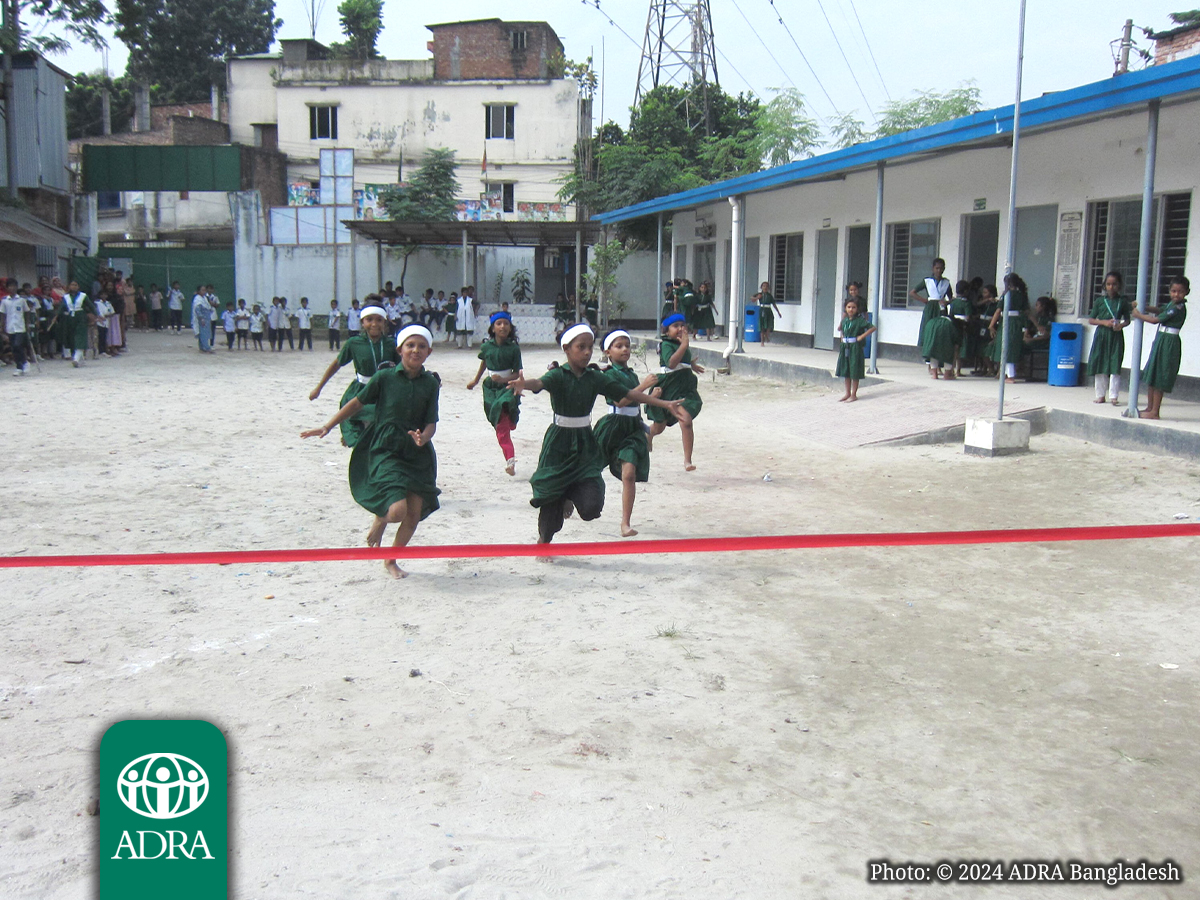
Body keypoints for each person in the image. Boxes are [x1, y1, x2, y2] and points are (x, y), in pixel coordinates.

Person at [511, 323, 689, 546]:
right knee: (551, 499)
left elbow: (628, 394)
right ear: (566, 348)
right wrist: (523, 384)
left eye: (589, 347)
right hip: (559, 443)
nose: (586, 352)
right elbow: (538, 382)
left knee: (591, 508)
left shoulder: (595, 377)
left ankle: (569, 494)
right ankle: (544, 540)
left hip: (585, 442)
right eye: (581, 347)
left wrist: (663, 403)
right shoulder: (558, 375)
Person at [302, 324, 440, 580]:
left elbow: (431, 421)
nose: (416, 350)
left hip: (417, 453)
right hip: (386, 447)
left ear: (429, 351)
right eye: (410, 345)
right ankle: (380, 517)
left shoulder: (431, 383)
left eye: (422, 346)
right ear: (399, 349)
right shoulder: (384, 378)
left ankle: (391, 559)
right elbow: (357, 403)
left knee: (414, 513)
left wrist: (424, 437)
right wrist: (328, 426)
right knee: (397, 511)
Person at [594, 329, 659, 537]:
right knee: (589, 466)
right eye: (618, 346)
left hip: (632, 428)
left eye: (627, 346)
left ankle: (625, 523)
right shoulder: (608, 375)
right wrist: (645, 386)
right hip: (612, 426)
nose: (624, 349)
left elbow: (635, 402)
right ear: (608, 352)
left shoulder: (630, 374)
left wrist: (654, 396)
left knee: (629, 474)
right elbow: (620, 401)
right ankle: (569, 497)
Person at [309, 304, 398, 447]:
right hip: (361, 390)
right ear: (363, 322)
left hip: (384, 391)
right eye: (369, 320)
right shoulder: (354, 343)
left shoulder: (391, 344)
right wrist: (318, 388)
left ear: (384, 322)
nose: (374, 324)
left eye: (379, 320)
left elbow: (405, 367)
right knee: (357, 422)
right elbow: (336, 365)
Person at [466, 311, 524, 476]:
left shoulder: (513, 348)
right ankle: (508, 430)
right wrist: (476, 381)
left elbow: (518, 373)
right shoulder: (486, 347)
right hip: (490, 388)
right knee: (499, 421)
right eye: (498, 323)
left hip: (508, 387)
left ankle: (510, 460)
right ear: (492, 327)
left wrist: (504, 379)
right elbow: (484, 363)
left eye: (506, 323)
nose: (503, 327)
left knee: (502, 421)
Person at [646, 313, 704, 471]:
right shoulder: (667, 344)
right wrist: (684, 345)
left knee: (686, 420)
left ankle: (687, 460)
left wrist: (691, 365)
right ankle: (648, 434)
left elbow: (682, 362)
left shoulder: (681, 343)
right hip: (669, 388)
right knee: (659, 426)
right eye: (675, 326)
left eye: (682, 325)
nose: (680, 328)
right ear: (666, 330)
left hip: (685, 387)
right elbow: (671, 363)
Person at [1131, 275, 1190, 419]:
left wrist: (1138, 315)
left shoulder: (1178, 308)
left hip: (1169, 343)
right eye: (1174, 291)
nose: (1176, 294)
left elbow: (1154, 320)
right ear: (1169, 291)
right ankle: (1150, 407)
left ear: (1187, 292)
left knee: (1160, 377)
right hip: (1161, 340)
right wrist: (1143, 306)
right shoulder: (1170, 305)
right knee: (1153, 374)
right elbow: (1159, 310)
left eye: (1180, 291)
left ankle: (1154, 412)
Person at [1086, 271, 1132, 405]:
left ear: (1119, 286)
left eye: (1114, 284)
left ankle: (1114, 396)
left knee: (1115, 363)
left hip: (1116, 335)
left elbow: (1128, 320)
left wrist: (1121, 325)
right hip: (1102, 335)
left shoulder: (1122, 301)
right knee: (1100, 363)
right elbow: (1091, 320)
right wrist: (1104, 322)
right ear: (1104, 286)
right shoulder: (1100, 301)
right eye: (1108, 284)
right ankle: (1100, 395)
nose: (1111, 287)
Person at [986, 272, 1034, 383]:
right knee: (1012, 347)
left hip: (1007, 322)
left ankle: (1010, 376)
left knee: (1005, 347)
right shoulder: (1022, 294)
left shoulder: (1006, 295)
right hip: (1017, 323)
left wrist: (991, 325)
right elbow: (1028, 312)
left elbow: (998, 311)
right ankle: (1007, 373)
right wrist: (1037, 325)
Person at [911, 258, 954, 373]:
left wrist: (947, 302)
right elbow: (912, 292)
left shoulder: (946, 283)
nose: (939, 271)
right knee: (929, 333)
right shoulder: (927, 281)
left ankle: (938, 364)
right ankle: (930, 364)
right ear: (933, 269)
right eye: (937, 268)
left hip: (941, 309)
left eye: (941, 268)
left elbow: (951, 298)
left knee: (940, 334)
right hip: (930, 308)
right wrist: (924, 300)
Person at [835, 296, 877, 402]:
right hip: (845, 347)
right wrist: (842, 337)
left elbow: (872, 327)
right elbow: (841, 329)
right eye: (848, 307)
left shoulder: (860, 320)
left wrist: (862, 336)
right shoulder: (844, 320)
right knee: (846, 370)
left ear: (857, 309)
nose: (851, 309)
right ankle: (847, 393)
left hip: (855, 347)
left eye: (853, 307)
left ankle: (854, 394)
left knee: (854, 370)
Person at [1, 279, 32, 375]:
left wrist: (27, 324)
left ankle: (25, 362)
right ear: (7, 288)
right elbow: (3, 314)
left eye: (14, 286)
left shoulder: (21, 300)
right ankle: (19, 367)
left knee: (18, 345)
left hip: (20, 327)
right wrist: (2, 325)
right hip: (10, 327)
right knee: (14, 348)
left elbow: (27, 312)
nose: (12, 288)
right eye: (10, 286)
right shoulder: (5, 301)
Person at [62, 280, 92, 367]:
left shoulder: (83, 296)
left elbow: (91, 306)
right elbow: (62, 307)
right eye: (72, 285)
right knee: (72, 339)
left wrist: (97, 315)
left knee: (80, 338)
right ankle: (81, 359)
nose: (73, 287)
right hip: (70, 319)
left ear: (78, 287)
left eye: (75, 285)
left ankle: (76, 358)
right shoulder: (66, 297)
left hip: (81, 318)